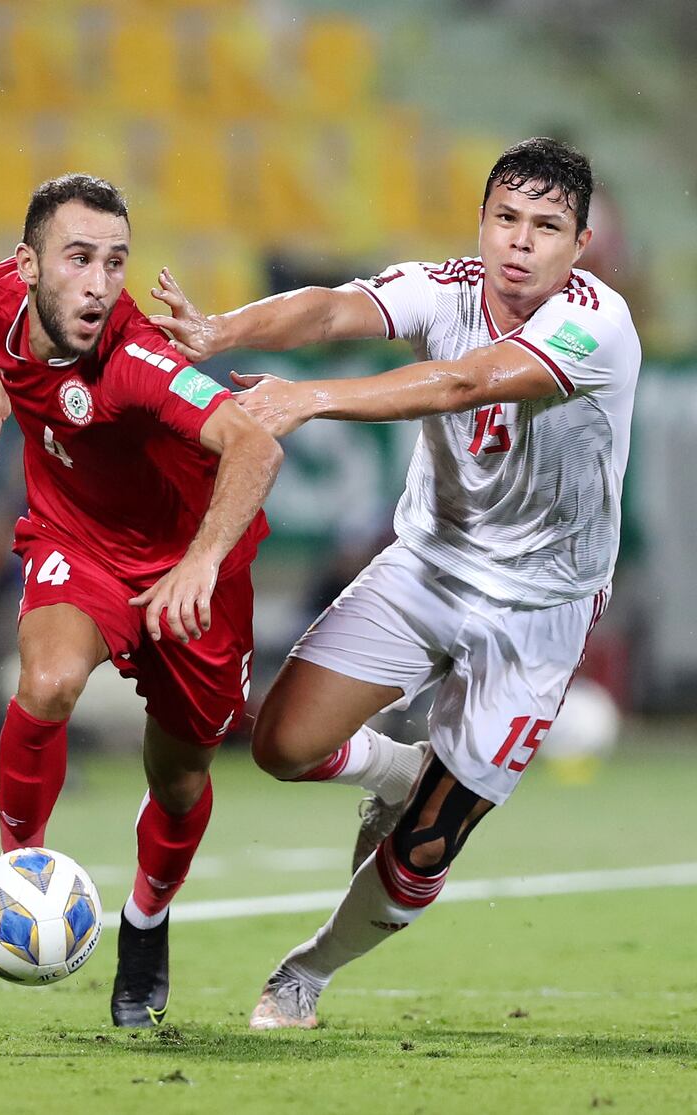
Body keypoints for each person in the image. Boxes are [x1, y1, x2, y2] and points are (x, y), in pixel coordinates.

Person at [148, 138, 641, 1029]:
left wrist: (311, 398)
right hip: (428, 565)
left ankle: (305, 973)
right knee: (280, 744)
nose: (521, 243)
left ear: (580, 244)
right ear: (483, 220)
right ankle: (399, 767)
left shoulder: (597, 323)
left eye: (547, 227)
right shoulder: (448, 288)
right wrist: (225, 330)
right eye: (506, 218)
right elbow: (333, 309)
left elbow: (462, 383)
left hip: (541, 609)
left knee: (420, 853)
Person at [0, 174, 282, 1027]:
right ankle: (20, 875)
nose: (100, 284)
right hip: (77, 539)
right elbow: (14, 348)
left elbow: (254, 444)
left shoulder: (137, 360)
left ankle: (146, 917)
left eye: (115, 262)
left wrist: (204, 560)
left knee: (177, 781)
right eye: (78, 259)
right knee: (49, 682)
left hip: (190, 567)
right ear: (27, 266)